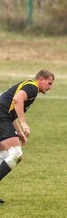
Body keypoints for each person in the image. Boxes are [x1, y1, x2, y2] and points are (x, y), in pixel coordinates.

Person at [0, 70, 55, 204]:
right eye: (49, 83)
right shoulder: (32, 87)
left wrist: (19, 132)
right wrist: (24, 123)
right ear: (41, 79)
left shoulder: (29, 87)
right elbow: (17, 99)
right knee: (15, 154)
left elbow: (11, 111)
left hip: (4, 116)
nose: (50, 87)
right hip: (1, 116)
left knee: (4, 154)